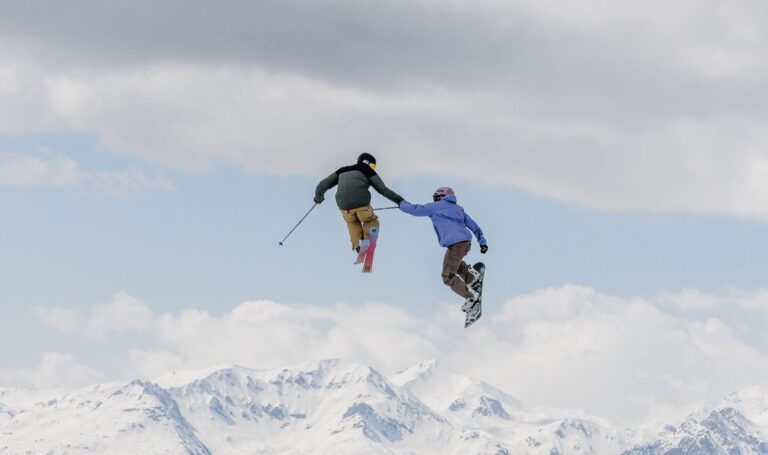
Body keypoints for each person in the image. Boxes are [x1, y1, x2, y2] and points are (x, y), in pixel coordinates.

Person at [399, 187, 488, 309]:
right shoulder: (458, 209)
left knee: (447, 276)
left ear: (442, 196)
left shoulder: (436, 206)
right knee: (452, 265)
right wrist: (482, 241)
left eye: (436, 197)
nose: (435, 200)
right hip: (465, 243)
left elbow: (415, 210)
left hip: (456, 245)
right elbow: (472, 224)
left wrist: (401, 203)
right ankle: (472, 278)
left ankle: (472, 297)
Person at [315, 153, 404, 252]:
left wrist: (318, 198)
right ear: (369, 163)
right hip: (362, 203)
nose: (373, 168)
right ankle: (367, 241)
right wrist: (400, 201)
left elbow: (323, 185)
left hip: (344, 206)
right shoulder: (368, 170)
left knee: (352, 221)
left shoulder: (342, 170)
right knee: (370, 220)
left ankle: (357, 245)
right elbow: (383, 190)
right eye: (373, 166)